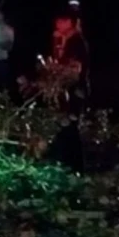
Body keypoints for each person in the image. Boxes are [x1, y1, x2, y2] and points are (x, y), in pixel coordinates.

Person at [44, 11, 90, 172]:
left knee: (71, 125)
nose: (57, 25)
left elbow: (75, 69)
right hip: (65, 88)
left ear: (69, 22)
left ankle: (76, 166)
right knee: (64, 126)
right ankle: (66, 163)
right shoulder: (63, 40)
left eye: (61, 21)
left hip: (75, 89)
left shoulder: (77, 41)